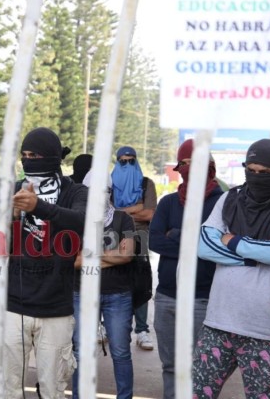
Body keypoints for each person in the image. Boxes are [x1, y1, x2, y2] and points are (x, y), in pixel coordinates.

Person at [194, 138, 270, 398]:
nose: (256, 177)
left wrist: (231, 239)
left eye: (265, 173)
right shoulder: (229, 199)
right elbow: (204, 246)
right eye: (251, 170)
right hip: (219, 322)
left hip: (267, 329)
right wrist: (259, 253)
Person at [4, 127, 87, 398]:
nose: (28, 161)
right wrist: (13, 217)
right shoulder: (15, 190)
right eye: (24, 155)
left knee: (52, 389)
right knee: (9, 388)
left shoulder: (75, 192)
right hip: (14, 305)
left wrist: (38, 206)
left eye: (35, 155)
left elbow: (82, 221)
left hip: (56, 309)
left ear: (52, 157)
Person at [149, 139, 224, 399]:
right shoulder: (169, 203)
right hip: (167, 296)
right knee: (170, 366)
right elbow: (154, 240)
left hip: (202, 298)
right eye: (186, 164)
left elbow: (217, 246)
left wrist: (176, 234)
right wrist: (196, 240)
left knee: (199, 367)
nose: (191, 169)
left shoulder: (223, 203)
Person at [72, 170, 135, 399]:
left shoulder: (123, 218)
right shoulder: (76, 220)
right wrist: (111, 254)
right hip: (82, 295)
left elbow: (128, 255)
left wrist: (91, 254)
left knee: (120, 351)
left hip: (118, 295)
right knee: (81, 351)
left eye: (104, 192)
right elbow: (73, 261)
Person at [111, 146, 157, 350]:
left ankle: (141, 330)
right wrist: (135, 209)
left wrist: (119, 212)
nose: (127, 164)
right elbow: (105, 210)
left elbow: (149, 214)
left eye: (131, 160)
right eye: (123, 161)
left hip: (139, 235)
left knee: (140, 282)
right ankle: (109, 326)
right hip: (112, 234)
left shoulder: (146, 184)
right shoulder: (110, 182)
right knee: (111, 278)